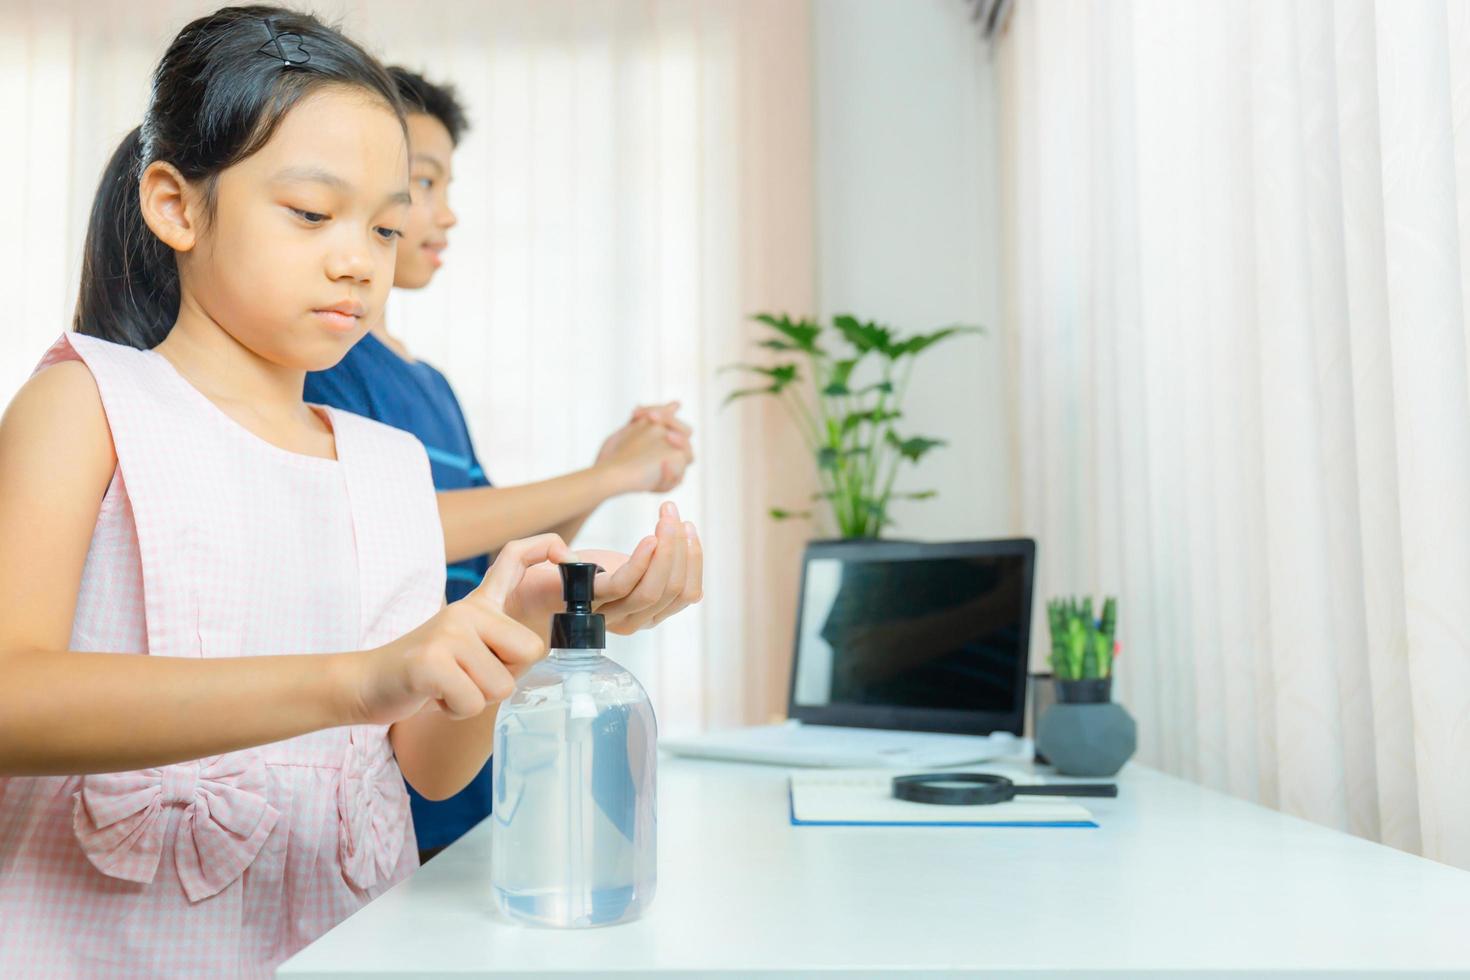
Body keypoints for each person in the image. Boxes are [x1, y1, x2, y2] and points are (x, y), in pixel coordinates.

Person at [0, 7, 701, 976]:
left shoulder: (386, 459)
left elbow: (424, 760)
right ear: (176, 204)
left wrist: (520, 620)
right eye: (311, 213)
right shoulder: (84, 401)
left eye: (382, 225)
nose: (357, 258)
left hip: (349, 945)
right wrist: (356, 676)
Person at [304, 67, 698, 859]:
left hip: (462, 744)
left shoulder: (429, 385)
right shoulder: (323, 364)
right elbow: (396, 530)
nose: (443, 213)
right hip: (384, 761)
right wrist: (613, 477)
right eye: (422, 182)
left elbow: (492, 556)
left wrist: (605, 469)